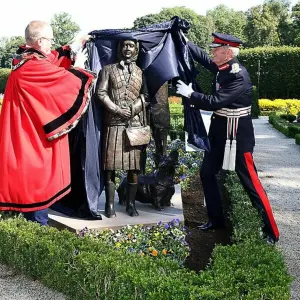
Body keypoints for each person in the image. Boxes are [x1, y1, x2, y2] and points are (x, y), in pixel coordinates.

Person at [176, 33, 279, 244]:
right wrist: (186, 42)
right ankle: (216, 220)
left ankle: (272, 232)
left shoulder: (239, 75)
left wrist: (190, 94)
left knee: (250, 182)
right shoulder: (223, 68)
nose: (213, 51)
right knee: (206, 173)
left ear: (228, 53)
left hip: (237, 136)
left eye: (217, 49)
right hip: (219, 132)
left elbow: (216, 101)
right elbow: (205, 59)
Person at [0, 20, 95, 225]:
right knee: (36, 211)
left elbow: (52, 59)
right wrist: (78, 67)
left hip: (24, 141)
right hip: (30, 145)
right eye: (49, 40)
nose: (51, 44)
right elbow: (64, 81)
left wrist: (76, 44)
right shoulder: (32, 67)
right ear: (40, 40)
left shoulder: (27, 60)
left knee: (32, 207)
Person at [96, 39, 149, 218]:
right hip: (113, 124)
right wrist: (117, 110)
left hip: (133, 126)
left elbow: (146, 96)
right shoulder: (108, 70)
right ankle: (110, 205)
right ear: (120, 48)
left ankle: (131, 204)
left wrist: (133, 110)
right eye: (125, 45)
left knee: (133, 168)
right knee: (109, 167)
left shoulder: (141, 72)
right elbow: (101, 93)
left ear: (136, 49)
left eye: (131, 45)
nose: (128, 48)